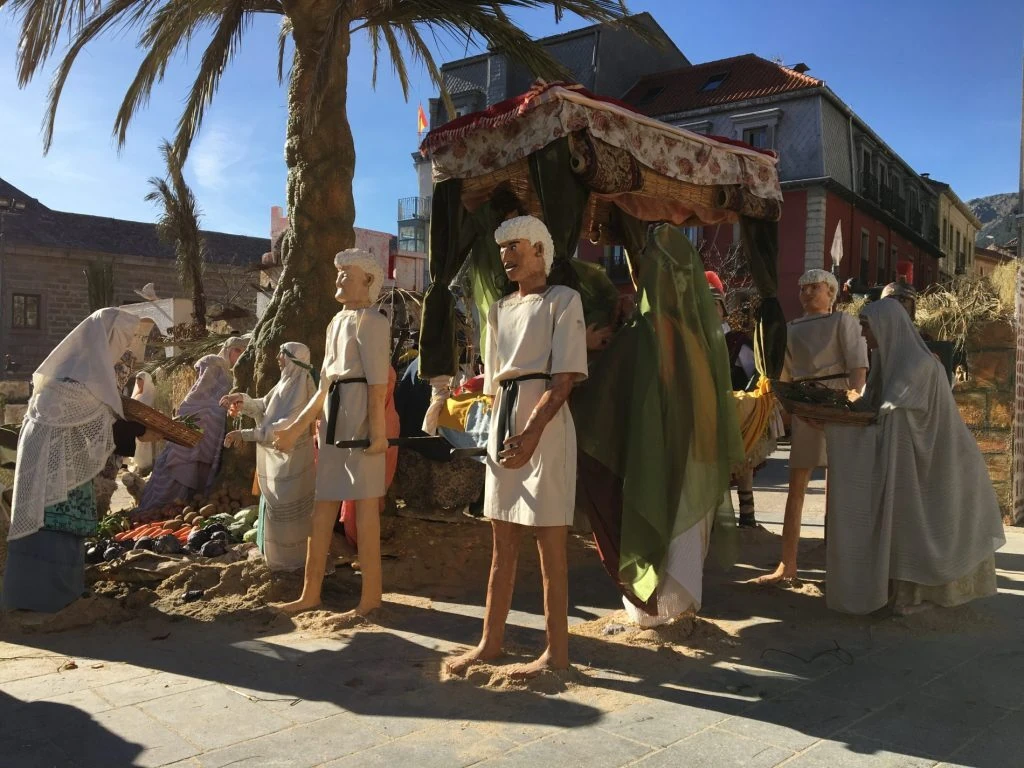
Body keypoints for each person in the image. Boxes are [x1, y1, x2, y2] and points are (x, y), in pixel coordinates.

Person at [445, 215, 588, 679]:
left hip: (543, 427)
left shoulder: (564, 301)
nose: (506, 256)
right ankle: (491, 641)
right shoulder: (498, 310)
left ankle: (557, 651)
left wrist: (531, 433)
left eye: (515, 247)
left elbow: (564, 380)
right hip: (504, 421)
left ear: (541, 251)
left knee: (550, 542)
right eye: (502, 248)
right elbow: (491, 381)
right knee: (501, 540)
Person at [823, 299, 1005, 614]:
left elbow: (893, 422)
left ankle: (920, 594)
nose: (864, 334)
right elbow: (875, 409)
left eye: (866, 326)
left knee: (922, 528)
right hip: (915, 464)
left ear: (887, 326)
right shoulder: (888, 361)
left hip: (940, 465)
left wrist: (846, 424)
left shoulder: (916, 368)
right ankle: (901, 591)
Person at [3, 309, 154, 612]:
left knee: (66, 528)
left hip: (63, 470)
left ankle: (63, 593)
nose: (127, 346)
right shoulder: (77, 381)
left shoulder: (80, 375)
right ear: (106, 339)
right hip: (52, 471)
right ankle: (43, 598)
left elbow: (104, 416)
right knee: (51, 527)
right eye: (124, 338)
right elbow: (103, 417)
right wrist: (139, 428)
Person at [271, 249, 390, 618]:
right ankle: (311, 592)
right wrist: (295, 426)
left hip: (360, 421)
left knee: (366, 509)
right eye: (337, 273)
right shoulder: (336, 322)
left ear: (368, 281)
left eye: (346, 274)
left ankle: (370, 597)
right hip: (334, 420)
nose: (339, 280)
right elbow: (323, 386)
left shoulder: (372, 320)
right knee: (322, 509)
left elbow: (377, 383)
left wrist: (378, 431)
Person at [753, 269, 868, 585]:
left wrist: (853, 402)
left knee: (841, 487)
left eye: (814, 287)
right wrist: (792, 407)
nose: (806, 292)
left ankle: (842, 561)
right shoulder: (790, 328)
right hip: (805, 404)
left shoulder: (843, 322)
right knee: (797, 486)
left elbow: (858, 368)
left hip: (838, 403)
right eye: (802, 287)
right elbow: (785, 375)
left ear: (830, 291)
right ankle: (786, 563)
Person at [221, 342, 316, 571]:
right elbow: (264, 405)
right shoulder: (285, 382)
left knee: (288, 512)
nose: (277, 359)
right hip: (278, 464)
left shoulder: (301, 386)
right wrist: (241, 400)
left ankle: (292, 563)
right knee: (275, 509)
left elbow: (282, 427)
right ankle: (276, 560)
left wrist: (245, 434)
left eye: (282, 354)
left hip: (290, 462)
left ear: (293, 358)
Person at [137, 338, 246, 513]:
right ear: (228, 350)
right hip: (189, 445)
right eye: (237, 350)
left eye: (243, 351)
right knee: (178, 475)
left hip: (208, 447)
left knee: (196, 480)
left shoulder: (232, 377)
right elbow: (194, 402)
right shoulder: (214, 365)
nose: (240, 355)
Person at [706, 271, 760, 528]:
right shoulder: (695, 340)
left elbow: (755, 374)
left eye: (711, 305)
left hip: (735, 409)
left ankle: (747, 516)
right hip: (704, 411)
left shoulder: (737, 341)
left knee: (742, 463)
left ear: (722, 308)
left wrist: (745, 403)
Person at [129, 372, 157, 474]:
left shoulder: (150, 393)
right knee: (136, 444)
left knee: (144, 444)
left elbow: (147, 408)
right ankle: (138, 465)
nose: (138, 381)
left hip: (144, 423)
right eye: (137, 378)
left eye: (140, 379)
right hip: (134, 422)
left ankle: (145, 466)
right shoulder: (137, 393)